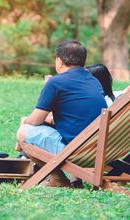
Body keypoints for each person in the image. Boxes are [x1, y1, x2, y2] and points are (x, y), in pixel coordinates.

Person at [17, 40, 107, 187]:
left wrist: (25, 121)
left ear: (59, 61)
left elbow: (35, 120)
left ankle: (57, 177)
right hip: (98, 149)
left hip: (77, 151)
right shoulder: (93, 81)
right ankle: (75, 180)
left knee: (23, 133)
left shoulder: (56, 82)